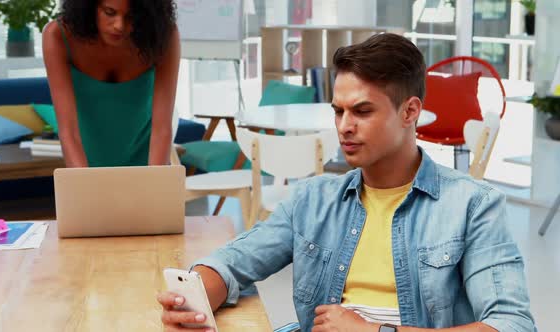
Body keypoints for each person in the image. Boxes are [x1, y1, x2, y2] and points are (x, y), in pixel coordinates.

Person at [158, 33, 536, 332]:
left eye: (363, 111)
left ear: (410, 111)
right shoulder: (313, 200)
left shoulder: (473, 205)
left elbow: (512, 325)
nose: (344, 127)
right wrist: (192, 298)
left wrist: (376, 330)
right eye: (338, 111)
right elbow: (233, 261)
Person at [43, 0, 179, 167]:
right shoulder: (58, 36)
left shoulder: (162, 35)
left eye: (131, 16)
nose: (119, 26)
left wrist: (152, 184)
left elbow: (162, 130)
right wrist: (83, 185)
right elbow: (68, 132)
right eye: (109, 12)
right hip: (82, 168)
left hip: (148, 166)